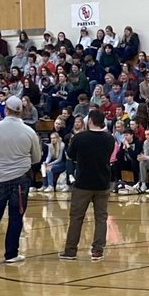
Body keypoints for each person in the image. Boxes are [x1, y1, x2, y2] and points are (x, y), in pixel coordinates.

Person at [0, 95, 41, 265]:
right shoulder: (29, 131)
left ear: (5, 110)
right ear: (22, 111)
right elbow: (36, 158)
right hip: (20, 180)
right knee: (16, 216)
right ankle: (11, 253)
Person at [60, 110, 116, 261]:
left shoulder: (79, 138)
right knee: (100, 218)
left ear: (90, 121)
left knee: (76, 217)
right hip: (103, 183)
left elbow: (70, 155)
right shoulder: (109, 139)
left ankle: (70, 251)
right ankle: (97, 250)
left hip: (83, 183)